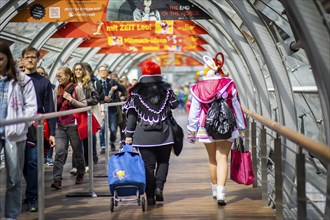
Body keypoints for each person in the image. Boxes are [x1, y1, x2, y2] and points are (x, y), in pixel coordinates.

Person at [186, 54, 246, 206]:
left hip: (205, 127)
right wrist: (242, 127)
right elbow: (237, 106)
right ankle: (221, 193)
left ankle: (214, 189)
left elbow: (194, 111)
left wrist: (191, 131)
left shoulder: (197, 88)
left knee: (212, 159)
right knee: (223, 158)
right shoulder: (229, 84)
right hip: (227, 126)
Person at [123, 61, 178, 206]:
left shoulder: (135, 92)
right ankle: (159, 188)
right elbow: (175, 104)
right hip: (164, 134)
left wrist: (128, 135)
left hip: (143, 135)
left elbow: (132, 116)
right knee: (163, 162)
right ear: (159, 73)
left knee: (148, 166)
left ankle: (151, 196)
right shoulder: (166, 91)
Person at [0, 40, 37, 220]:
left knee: (14, 178)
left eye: (0, 59)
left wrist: (21, 124)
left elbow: (31, 106)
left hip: (14, 134)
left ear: (8, 58)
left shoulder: (23, 80)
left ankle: (11, 216)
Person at [21, 46, 56, 212]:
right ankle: (30, 193)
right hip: (18, 126)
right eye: (27, 57)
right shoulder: (16, 80)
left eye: (33, 57)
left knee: (33, 162)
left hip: (37, 128)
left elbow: (50, 107)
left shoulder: (44, 82)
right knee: (21, 164)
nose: (30, 60)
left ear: (37, 59)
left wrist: (53, 133)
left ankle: (33, 197)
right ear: (23, 59)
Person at [51, 67, 87, 189]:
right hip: (60, 125)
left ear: (68, 76)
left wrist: (71, 99)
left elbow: (84, 105)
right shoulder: (57, 90)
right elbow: (53, 106)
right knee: (60, 152)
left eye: (60, 75)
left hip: (73, 124)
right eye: (57, 76)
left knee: (77, 151)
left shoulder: (77, 88)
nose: (58, 78)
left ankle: (80, 172)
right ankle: (57, 179)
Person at [72, 63, 100, 174]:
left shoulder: (88, 84)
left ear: (83, 71)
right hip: (73, 115)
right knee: (75, 141)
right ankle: (76, 165)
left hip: (85, 115)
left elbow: (96, 98)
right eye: (76, 69)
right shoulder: (71, 84)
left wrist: (82, 103)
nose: (78, 71)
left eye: (80, 69)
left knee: (86, 140)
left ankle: (87, 163)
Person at [98, 65, 125, 153]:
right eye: (101, 71)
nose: (103, 72)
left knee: (113, 129)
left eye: (104, 70)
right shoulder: (96, 83)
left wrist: (117, 87)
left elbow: (123, 88)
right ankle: (103, 146)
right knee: (102, 128)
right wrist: (102, 98)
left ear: (107, 72)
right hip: (101, 109)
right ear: (98, 73)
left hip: (112, 109)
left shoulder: (112, 82)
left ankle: (112, 142)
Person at [36, 65, 55, 166]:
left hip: (45, 117)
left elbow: (50, 104)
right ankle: (43, 157)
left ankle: (48, 156)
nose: (40, 75)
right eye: (38, 73)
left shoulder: (48, 86)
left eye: (42, 74)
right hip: (37, 117)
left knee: (48, 137)